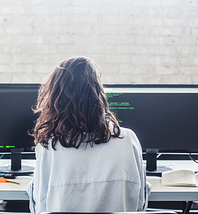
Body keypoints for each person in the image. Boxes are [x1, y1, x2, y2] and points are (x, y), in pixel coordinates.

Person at [27, 56, 151, 214]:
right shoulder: (127, 140)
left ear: (56, 99)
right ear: (98, 94)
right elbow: (140, 204)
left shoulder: (49, 145)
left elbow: (39, 208)